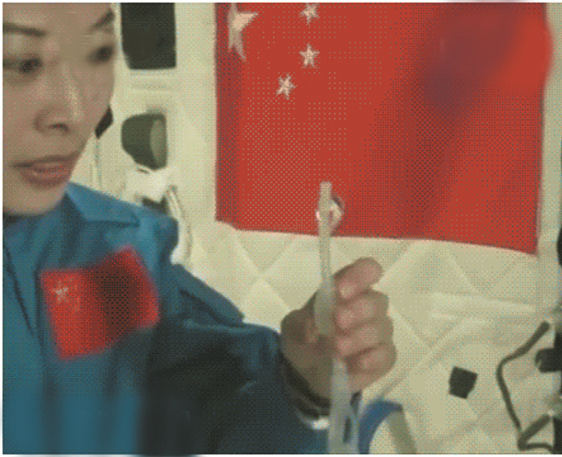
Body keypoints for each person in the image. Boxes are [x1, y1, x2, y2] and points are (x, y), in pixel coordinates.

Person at [3, 3, 396, 453]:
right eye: (23, 63)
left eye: (95, 53)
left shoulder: (105, 253)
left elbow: (206, 406)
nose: (73, 112)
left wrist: (306, 390)